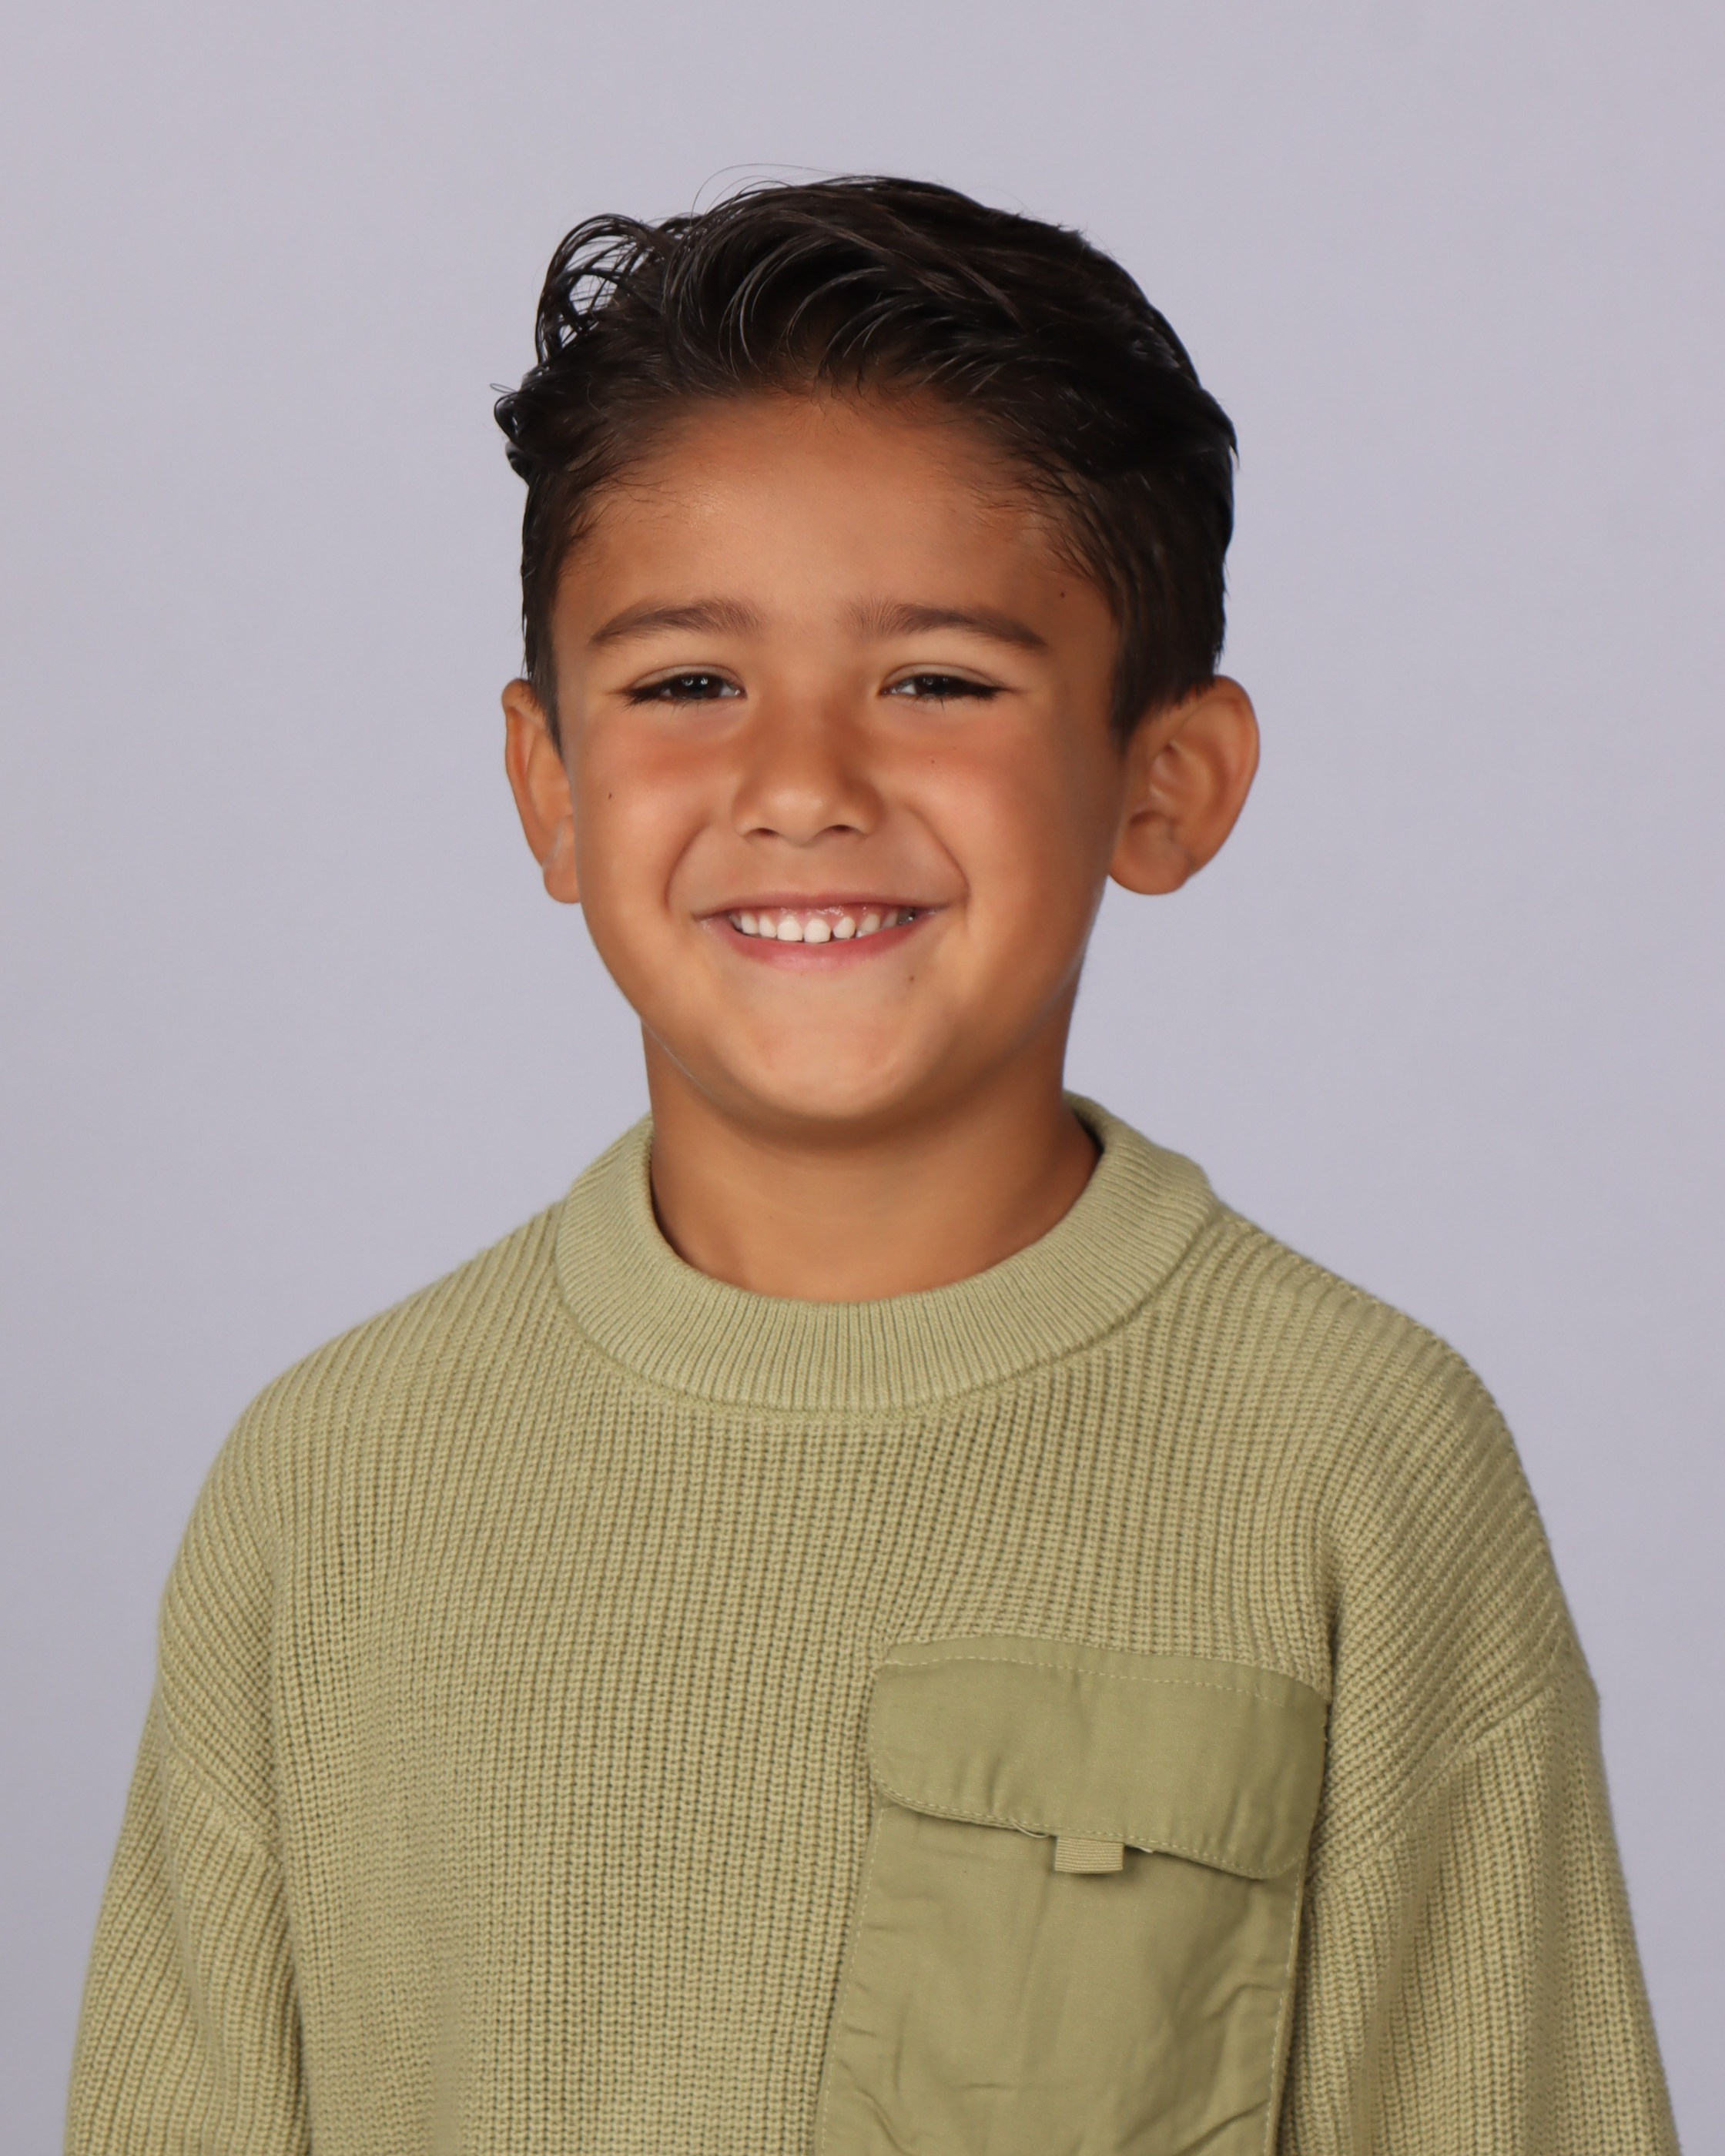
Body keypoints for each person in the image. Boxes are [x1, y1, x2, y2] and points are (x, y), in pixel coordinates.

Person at [66, 177, 1677, 2156]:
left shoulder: (1355, 1462)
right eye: (685, 682)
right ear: (549, 785)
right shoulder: (325, 1488)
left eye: (937, 680)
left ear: (1167, 780)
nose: (804, 783)